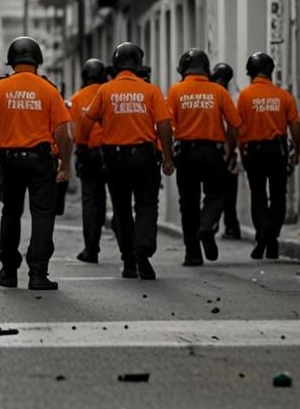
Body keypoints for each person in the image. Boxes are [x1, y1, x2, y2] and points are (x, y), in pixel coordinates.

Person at [0, 37, 72, 290]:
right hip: (41, 161)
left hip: (10, 160)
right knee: (42, 215)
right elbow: (63, 133)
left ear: (11, 62)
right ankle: (38, 274)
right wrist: (65, 164)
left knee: (10, 213)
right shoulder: (49, 90)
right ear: (37, 61)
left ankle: (8, 272)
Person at [79, 42, 175, 280]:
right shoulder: (150, 91)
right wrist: (167, 157)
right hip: (144, 156)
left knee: (121, 210)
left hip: (115, 157)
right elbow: (164, 124)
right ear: (138, 65)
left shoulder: (105, 91)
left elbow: (87, 122)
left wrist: (82, 145)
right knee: (146, 205)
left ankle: (129, 261)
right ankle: (143, 251)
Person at [167, 48, 241, 267]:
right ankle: (207, 227)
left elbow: (167, 125)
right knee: (216, 195)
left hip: (185, 152)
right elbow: (235, 124)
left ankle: (192, 254)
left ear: (183, 69)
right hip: (212, 152)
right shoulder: (218, 92)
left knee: (188, 203)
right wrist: (230, 148)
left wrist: (168, 154)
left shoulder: (175, 91)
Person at [236, 51, 300, 260]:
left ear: (250, 73)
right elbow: (295, 125)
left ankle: (262, 234)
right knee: (278, 195)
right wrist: (297, 150)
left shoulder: (245, 96)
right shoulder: (283, 96)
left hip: (253, 150)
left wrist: (240, 149)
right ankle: (271, 238)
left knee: (258, 194)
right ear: (270, 72)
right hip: (277, 150)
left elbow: (239, 125)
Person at [69, 58, 109, 263]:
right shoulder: (110, 93)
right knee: (119, 201)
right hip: (112, 153)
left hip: (88, 153)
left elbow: (75, 134)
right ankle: (128, 250)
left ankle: (91, 249)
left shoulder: (77, 99)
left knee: (90, 201)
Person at [211, 62, 243, 239]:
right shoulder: (234, 96)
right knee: (227, 189)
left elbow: (232, 126)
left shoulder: (227, 97)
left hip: (226, 148)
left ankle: (220, 224)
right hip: (228, 148)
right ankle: (228, 224)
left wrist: (231, 152)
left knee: (222, 190)